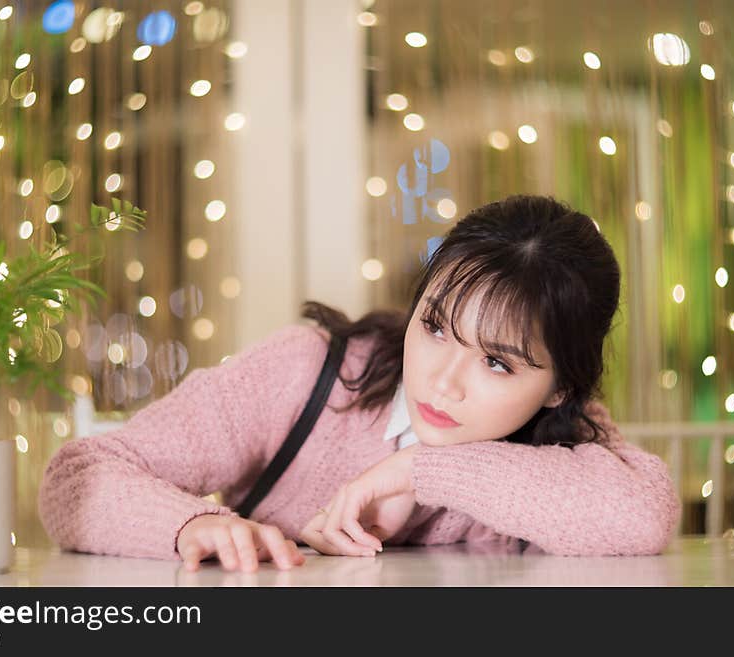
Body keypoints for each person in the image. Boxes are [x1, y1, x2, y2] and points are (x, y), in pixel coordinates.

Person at [38, 195, 681, 572]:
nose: (445, 381)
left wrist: (419, 470)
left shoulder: (565, 431)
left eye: (497, 362)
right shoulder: (308, 373)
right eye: (435, 327)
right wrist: (191, 525)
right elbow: (78, 475)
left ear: (561, 387)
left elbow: (643, 516)